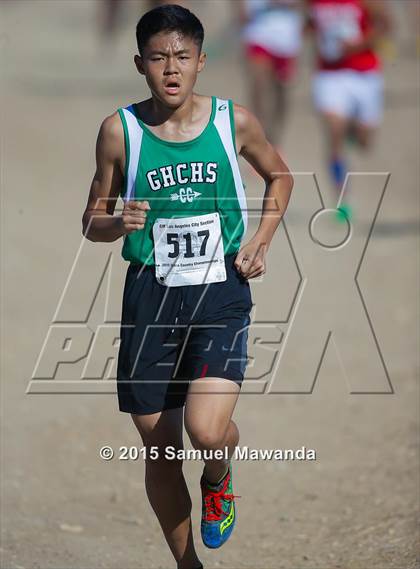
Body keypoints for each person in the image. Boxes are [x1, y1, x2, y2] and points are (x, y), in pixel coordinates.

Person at [82, 4, 293, 568]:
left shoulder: (233, 121)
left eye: (181, 56)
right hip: (150, 295)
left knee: (204, 432)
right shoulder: (118, 131)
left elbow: (280, 175)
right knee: (161, 447)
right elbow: (90, 221)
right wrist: (116, 221)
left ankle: (219, 473)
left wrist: (264, 237)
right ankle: (187, 564)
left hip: (219, 289)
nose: (170, 68)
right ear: (140, 64)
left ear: (201, 61)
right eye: (158, 57)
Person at [306, 0, 391, 220]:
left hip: (365, 74)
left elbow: (386, 25)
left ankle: (352, 129)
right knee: (334, 131)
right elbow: (310, 22)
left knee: (364, 142)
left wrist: (359, 44)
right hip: (329, 75)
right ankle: (342, 198)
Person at [238, 0, 303, 145]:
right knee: (259, 84)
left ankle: (275, 138)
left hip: (286, 37)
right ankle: (257, 134)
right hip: (258, 32)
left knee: (282, 91)